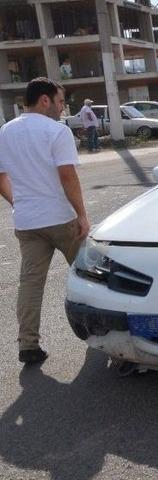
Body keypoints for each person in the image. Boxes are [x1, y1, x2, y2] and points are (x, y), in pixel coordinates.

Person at [0, 77, 90, 364]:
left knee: (30, 282)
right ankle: (96, 331)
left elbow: (1, 176)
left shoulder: (5, 131)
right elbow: (67, 176)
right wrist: (82, 215)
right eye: (61, 101)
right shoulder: (56, 132)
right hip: (62, 219)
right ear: (45, 100)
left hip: (27, 222)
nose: (63, 108)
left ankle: (28, 344)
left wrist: (19, 202)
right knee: (88, 274)